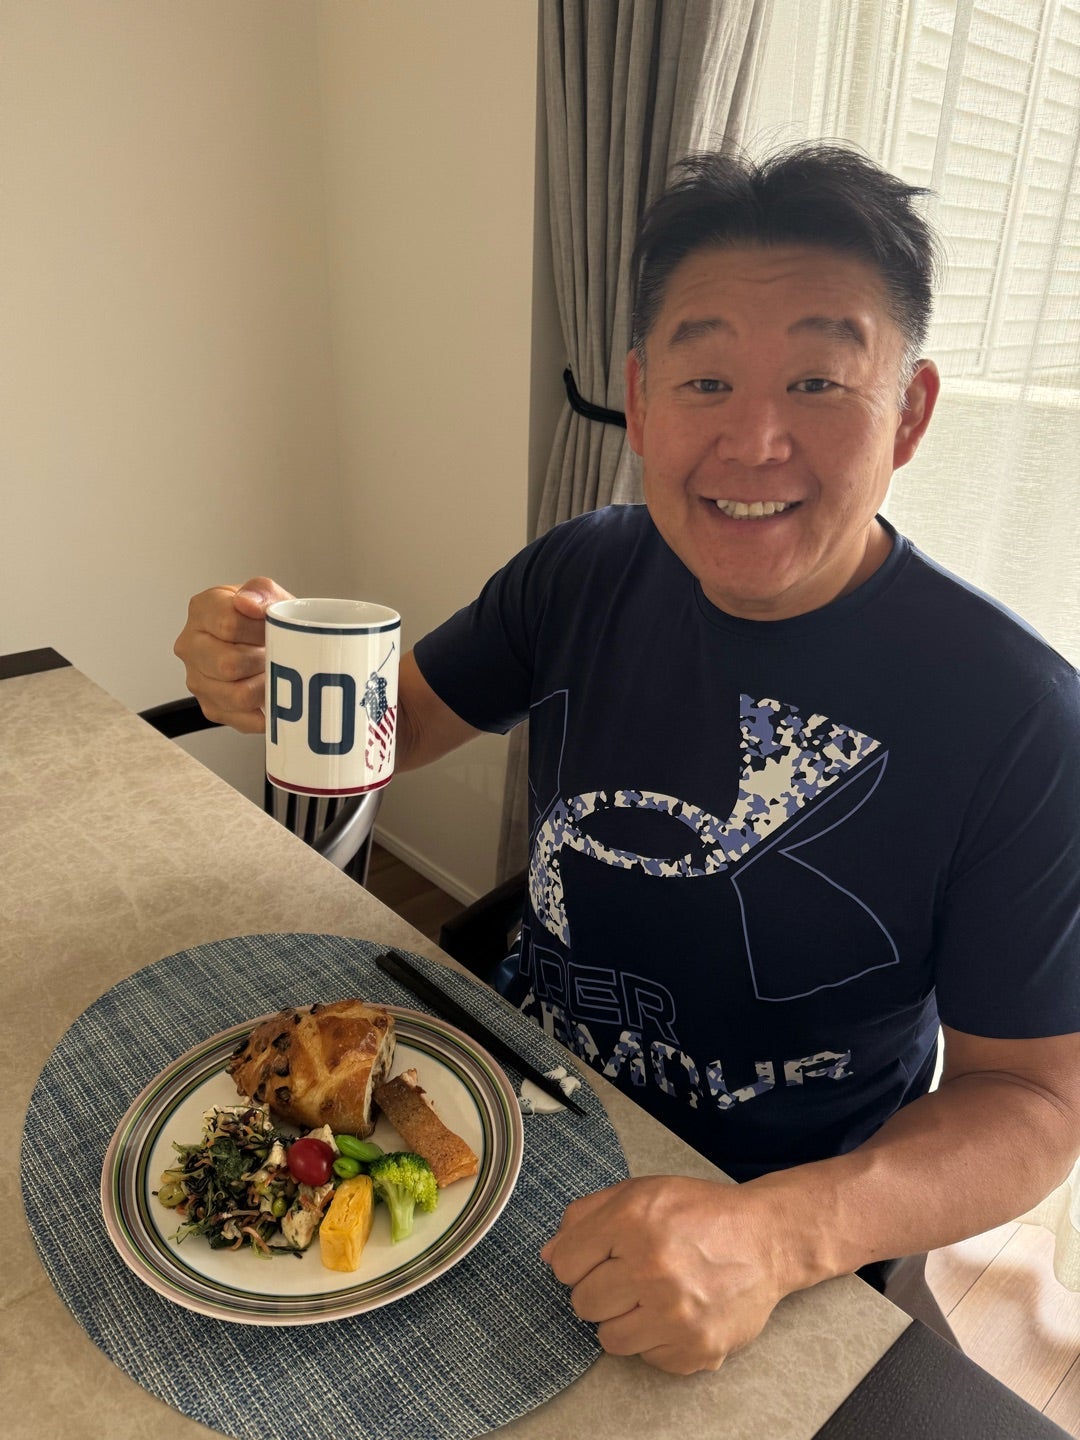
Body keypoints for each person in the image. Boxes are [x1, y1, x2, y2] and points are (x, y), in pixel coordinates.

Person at [175, 144, 1080, 1376]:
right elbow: (402, 725)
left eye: (819, 381)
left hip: (781, 1207)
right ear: (642, 403)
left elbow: (1033, 1104)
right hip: (512, 1101)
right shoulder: (584, 569)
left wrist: (782, 1234)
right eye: (707, 380)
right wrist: (271, 673)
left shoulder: (1020, 716)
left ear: (909, 413)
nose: (755, 440)